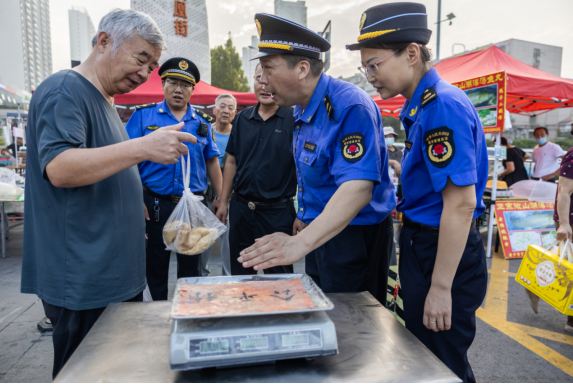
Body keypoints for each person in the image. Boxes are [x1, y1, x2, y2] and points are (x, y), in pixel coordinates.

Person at [20, 10, 197, 379]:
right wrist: (143, 148)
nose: (145, 72)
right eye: (141, 58)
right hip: (84, 279)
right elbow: (62, 167)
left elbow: (102, 166)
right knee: (86, 373)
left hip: (109, 273)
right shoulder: (65, 90)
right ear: (103, 42)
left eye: (151, 65)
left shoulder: (104, 99)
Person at [347, 3, 488, 382]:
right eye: (366, 68)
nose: (370, 76)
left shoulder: (441, 105)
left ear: (411, 53)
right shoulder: (421, 106)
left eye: (374, 65)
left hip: (441, 251)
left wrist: (441, 287)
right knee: (423, 355)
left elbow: (460, 204)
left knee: (440, 364)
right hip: (424, 245)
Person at [237, 14, 396, 303]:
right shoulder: (302, 107)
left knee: (354, 323)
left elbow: (358, 188)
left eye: (268, 69)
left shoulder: (350, 106)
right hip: (320, 229)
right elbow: (314, 172)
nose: (263, 79)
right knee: (322, 308)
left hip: (354, 236)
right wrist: (305, 215)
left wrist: (299, 244)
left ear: (301, 68)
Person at [125, 57, 222, 300]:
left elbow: (212, 161)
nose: (179, 89)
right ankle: (157, 321)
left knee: (191, 270)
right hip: (155, 204)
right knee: (155, 268)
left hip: (192, 206)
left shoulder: (202, 123)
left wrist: (221, 198)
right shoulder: (143, 117)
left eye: (185, 85)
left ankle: (188, 318)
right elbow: (127, 161)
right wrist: (136, 200)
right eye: (173, 83)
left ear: (192, 89)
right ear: (163, 85)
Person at [216, 62, 297, 276]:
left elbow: (304, 169)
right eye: (259, 78)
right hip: (241, 210)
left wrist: (304, 212)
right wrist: (224, 202)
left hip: (277, 213)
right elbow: (231, 161)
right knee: (241, 272)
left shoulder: (294, 119)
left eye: (270, 78)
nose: (264, 84)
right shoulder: (242, 118)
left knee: (278, 276)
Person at [384, 126, 403, 199]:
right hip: (387, 182)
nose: (388, 138)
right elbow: (380, 161)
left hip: (400, 182)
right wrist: (394, 162)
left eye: (390, 136)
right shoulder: (381, 150)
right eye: (385, 136)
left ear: (394, 137)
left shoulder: (398, 150)